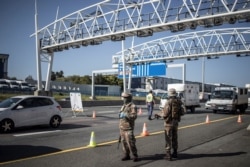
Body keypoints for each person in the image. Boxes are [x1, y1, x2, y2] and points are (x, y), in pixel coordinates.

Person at [161, 88, 184, 161]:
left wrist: (160, 114)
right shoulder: (178, 101)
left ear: (169, 94)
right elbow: (183, 112)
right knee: (175, 137)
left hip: (169, 123)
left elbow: (165, 113)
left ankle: (168, 154)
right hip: (176, 122)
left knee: (168, 138)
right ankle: (175, 153)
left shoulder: (168, 102)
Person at [119, 92, 138, 162]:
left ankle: (135, 155)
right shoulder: (124, 105)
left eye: (124, 98)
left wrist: (126, 115)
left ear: (128, 98)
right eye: (123, 97)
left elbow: (134, 116)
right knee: (124, 143)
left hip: (128, 128)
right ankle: (126, 155)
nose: (123, 99)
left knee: (130, 142)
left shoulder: (132, 106)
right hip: (122, 128)